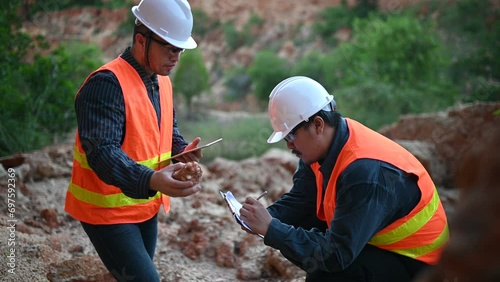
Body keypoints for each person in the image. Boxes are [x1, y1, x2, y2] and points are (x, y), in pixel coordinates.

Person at [239, 76, 450, 281]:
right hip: (382, 244)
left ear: (318, 124)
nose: (288, 145)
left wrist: (271, 229)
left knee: (328, 272)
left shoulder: (365, 173)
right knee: (298, 233)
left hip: (421, 267)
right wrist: (263, 217)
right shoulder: (321, 148)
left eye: (290, 136)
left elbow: (336, 255)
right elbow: (302, 201)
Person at [64, 0, 202, 281]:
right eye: (170, 48)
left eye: (180, 50)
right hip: (107, 213)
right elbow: (102, 153)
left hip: (144, 206)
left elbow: (165, 131)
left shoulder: (161, 79)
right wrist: (153, 180)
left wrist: (181, 152)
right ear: (141, 39)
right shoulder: (105, 84)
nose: (176, 56)